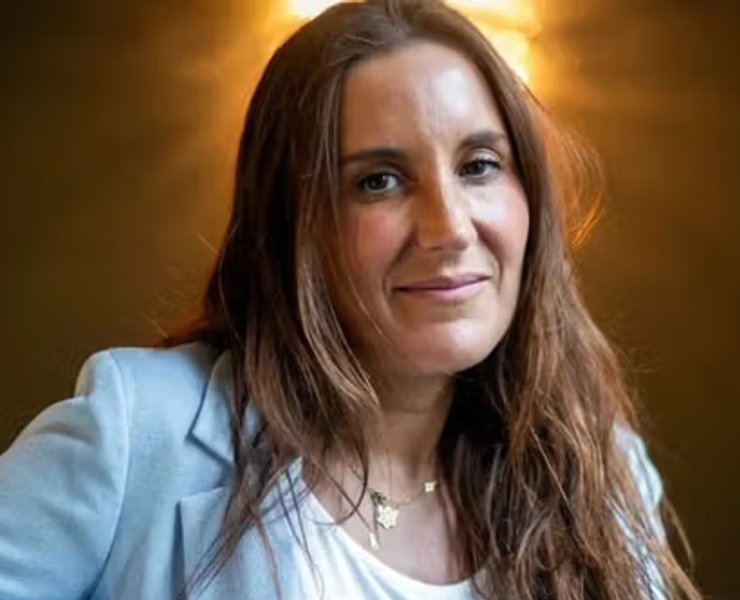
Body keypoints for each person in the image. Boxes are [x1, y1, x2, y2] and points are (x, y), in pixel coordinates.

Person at [0, 1, 703, 599]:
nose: (451, 228)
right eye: (379, 181)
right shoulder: (136, 429)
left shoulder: (609, 475)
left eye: (479, 165)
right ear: (292, 224)